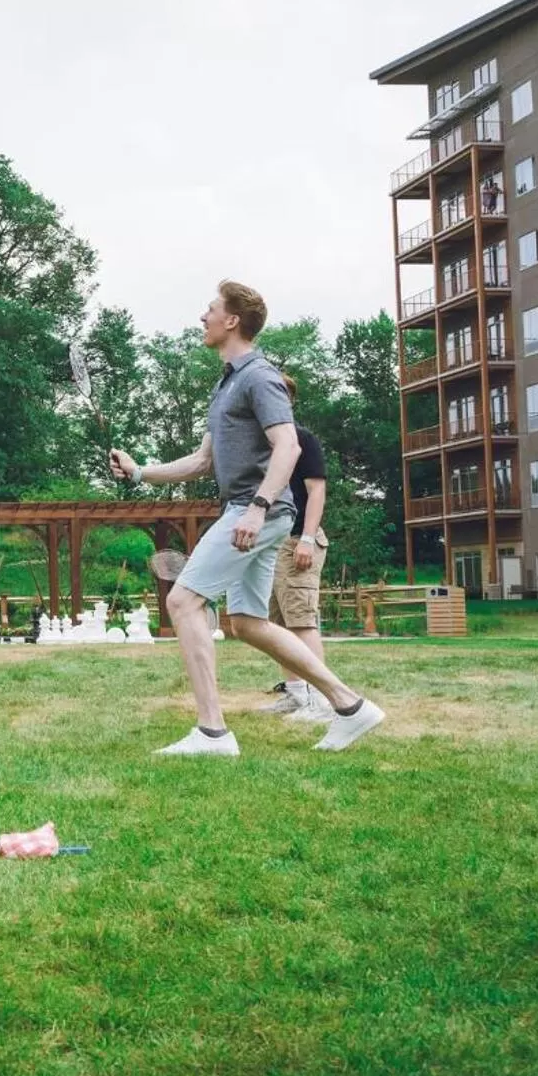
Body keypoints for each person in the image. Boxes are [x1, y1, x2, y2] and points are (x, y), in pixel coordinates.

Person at [109, 280, 384, 756]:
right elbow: (201, 462)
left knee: (182, 602)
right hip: (249, 511)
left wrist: (257, 510)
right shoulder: (227, 384)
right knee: (246, 622)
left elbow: (289, 446)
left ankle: (212, 732)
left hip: (256, 512)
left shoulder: (259, 376)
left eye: (211, 309)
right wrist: (139, 473)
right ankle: (351, 706)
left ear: (232, 320)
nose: (203, 317)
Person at [260, 373, 335, 723]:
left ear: (287, 400)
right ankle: (295, 694)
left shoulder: (302, 440)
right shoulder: (263, 444)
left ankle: (322, 700)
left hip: (298, 543)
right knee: (278, 624)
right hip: (273, 544)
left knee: (302, 622)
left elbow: (316, 491)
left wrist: (306, 538)